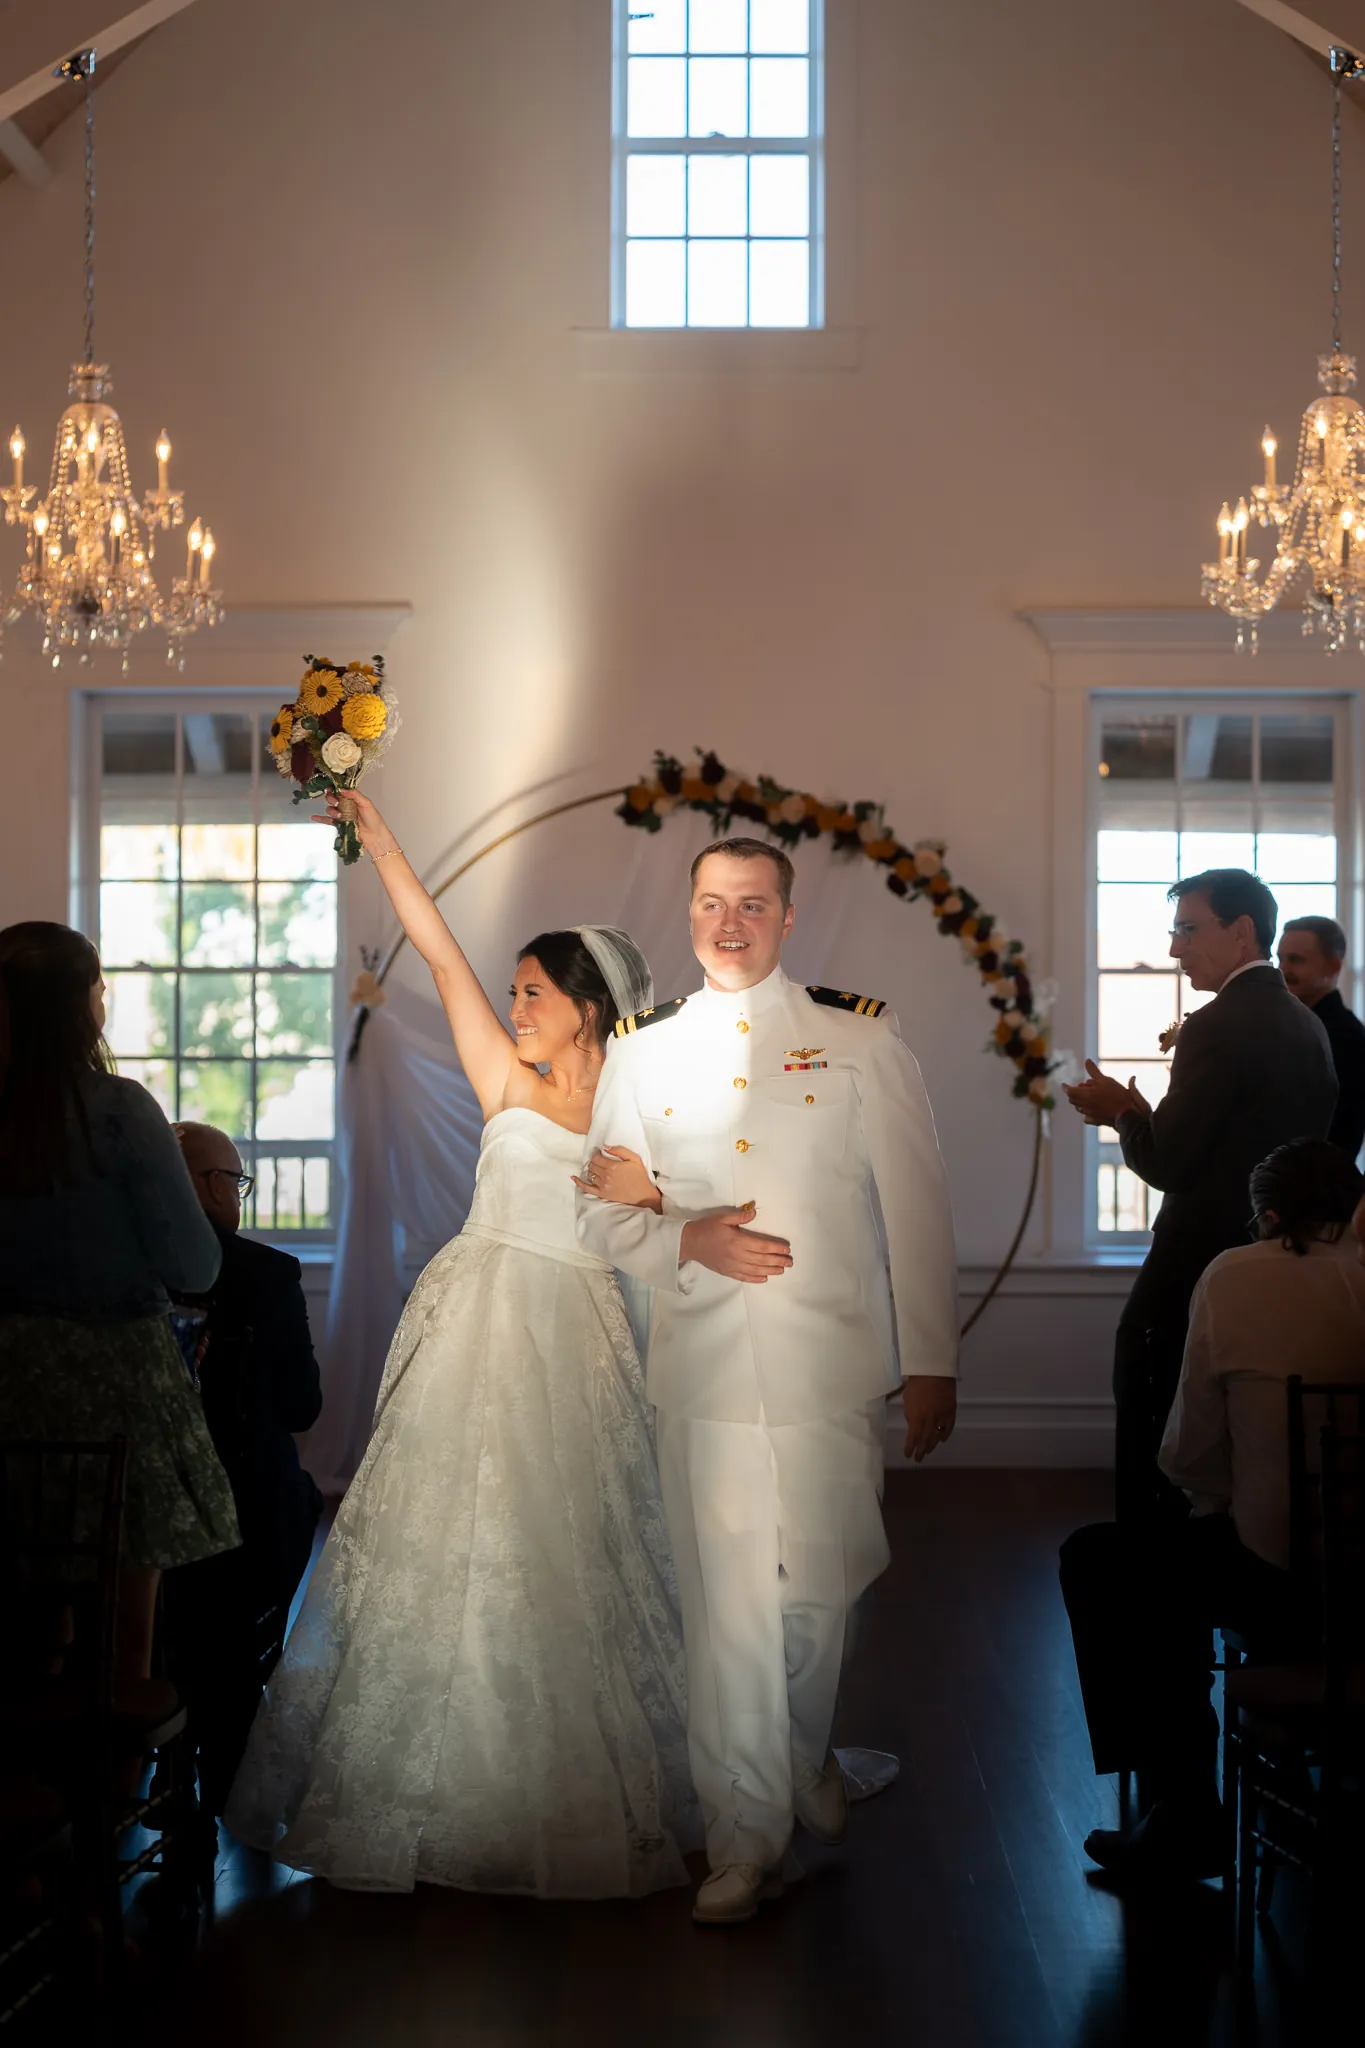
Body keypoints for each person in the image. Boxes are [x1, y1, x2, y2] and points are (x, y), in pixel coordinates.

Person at [225, 790, 700, 1897]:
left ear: (587, 1006)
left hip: (577, 1337)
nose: (515, 1004)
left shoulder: (647, 1111)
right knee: (449, 1543)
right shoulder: (505, 1077)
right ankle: (423, 1790)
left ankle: (560, 1790)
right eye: (516, 990)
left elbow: (681, 1227)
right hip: (477, 1320)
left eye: (534, 992)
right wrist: (380, 838)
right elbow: (437, 953)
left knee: (570, 1549)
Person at [576, 835, 959, 1925]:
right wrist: (685, 1238)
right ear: (687, 913)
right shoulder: (643, 1052)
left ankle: (797, 1756)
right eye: (709, 902)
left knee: (819, 1590)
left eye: (751, 903)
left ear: (788, 917)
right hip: (700, 1367)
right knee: (727, 1610)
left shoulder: (857, 1038)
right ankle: (743, 1838)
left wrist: (934, 1357)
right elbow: (601, 1208)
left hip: (831, 1362)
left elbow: (916, 1204)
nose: (728, 921)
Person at [1058, 1138, 1365, 1881]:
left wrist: (1223, 1497)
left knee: (1108, 1563)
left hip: (1277, 1576)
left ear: (1265, 1213)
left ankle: (1185, 1813)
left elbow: (1186, 1454)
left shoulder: (1233, 1277)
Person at [0, 922, 239, 1683]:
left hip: (10, 1380)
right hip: (120, 1383)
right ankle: (113, 1779)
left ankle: (29, 1781)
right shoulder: (120, 1110)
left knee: (28, 1624)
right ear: (81, 1006)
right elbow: (194, 1265)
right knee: (124, 1640)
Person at [1063, 869, 1336, 1525]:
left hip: (1196, 1265)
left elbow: (1169, 1163)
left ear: (1240, 932)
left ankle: (1151, 1581)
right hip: (1280, 1265)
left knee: (1150, 1398)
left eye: (1187, 930)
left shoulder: (1216, 1025)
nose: (1174, 949)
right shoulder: (1307, 1026)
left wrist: (1121, 1113)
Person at [161, 1122, 324, 1814]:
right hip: (246, 1512)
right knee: (296, 1501)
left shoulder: (132, 1267)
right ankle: (242, 1702)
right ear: (207, 1186)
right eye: (235, 1180)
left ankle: (173, 1737)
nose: (238, 1195)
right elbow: (301, 1408)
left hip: (152, 1525)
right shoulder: (269, 1272)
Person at [1277, 914, 1365, 1163]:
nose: (1283, 970)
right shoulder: (1295, 1026)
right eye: (1280, 958)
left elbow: (1341, 1132)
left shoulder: (1347, 1037)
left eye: (1296, 960)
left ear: (1333, 967)